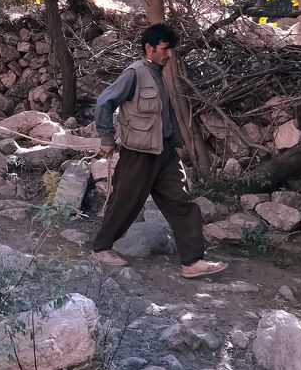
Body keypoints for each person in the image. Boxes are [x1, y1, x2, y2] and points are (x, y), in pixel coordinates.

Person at [92, 23, 227, 279]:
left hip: (164, 153)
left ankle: (192, 262)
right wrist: (106, 138)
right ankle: (101, 247)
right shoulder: (134, 73)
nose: (169, 55)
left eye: (171, 50)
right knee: (125, 203)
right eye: (165, 49)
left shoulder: (158, 73)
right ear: (149, 48)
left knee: (182, 202)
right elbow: (104, 103)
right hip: (139, 153)